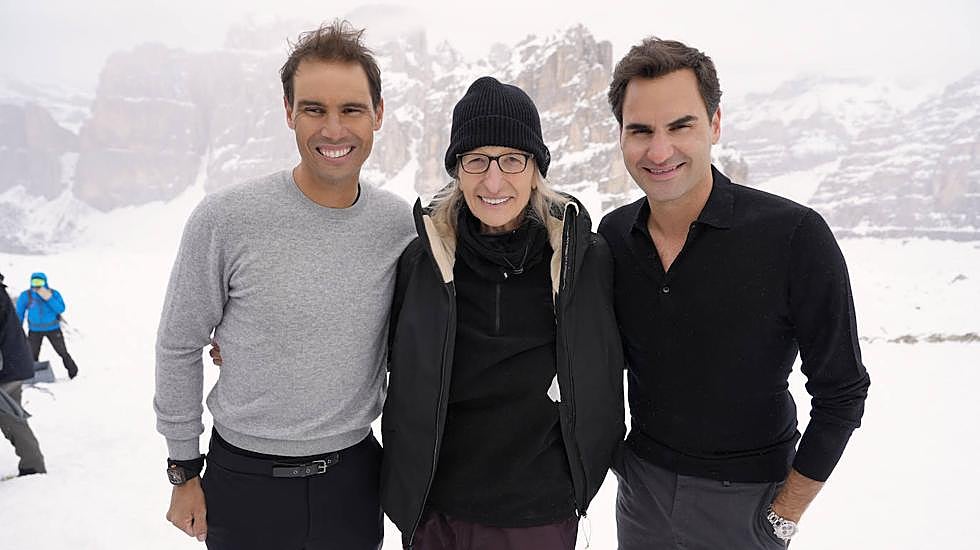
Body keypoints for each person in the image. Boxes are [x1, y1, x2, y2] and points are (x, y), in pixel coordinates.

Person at [597, 38, 871, 549]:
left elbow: (842, 391)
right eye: (641, 131)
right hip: (641, 499)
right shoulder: (612, 238)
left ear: (715, 125)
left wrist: (782, 516)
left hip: (748, 504)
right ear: (621, 136)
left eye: (681, 126)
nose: (659, 151)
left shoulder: (793, 235)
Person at [154, 20, 414, 550]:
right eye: (314, 109)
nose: (333, 130)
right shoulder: (226, 218)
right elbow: (179, 344)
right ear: (289, 112)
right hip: (243, 484)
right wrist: (183, 469)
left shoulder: (402, 227)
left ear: (378, 115)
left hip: (355, 482)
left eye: (351, 109)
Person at [381, 76, 625, 550]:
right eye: (476, 160)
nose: (493, 181)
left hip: (539, 514)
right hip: (437, 511)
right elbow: (374, 348)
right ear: (457, 169)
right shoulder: (424, 261)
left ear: (536, 168)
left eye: (512, 160)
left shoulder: (583, 260)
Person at [1, 272, 47, 476]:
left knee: (10, 417)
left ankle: (33, 465)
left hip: (7, 368)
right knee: (12, 416)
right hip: (11, 364)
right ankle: (33, 463)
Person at [15, 272, 78, 379]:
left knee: (62, 352)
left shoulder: (53, 294)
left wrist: (49, 298)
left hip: (53, 329)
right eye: (34, 282)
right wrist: (18, 329)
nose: (37, 285)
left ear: (45, 282)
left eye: (39, 282)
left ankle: (73, 372)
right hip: (34, 331)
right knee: (31, 355)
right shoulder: (26, 295)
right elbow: (19, 313)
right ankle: (32, 376)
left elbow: (60, 309)